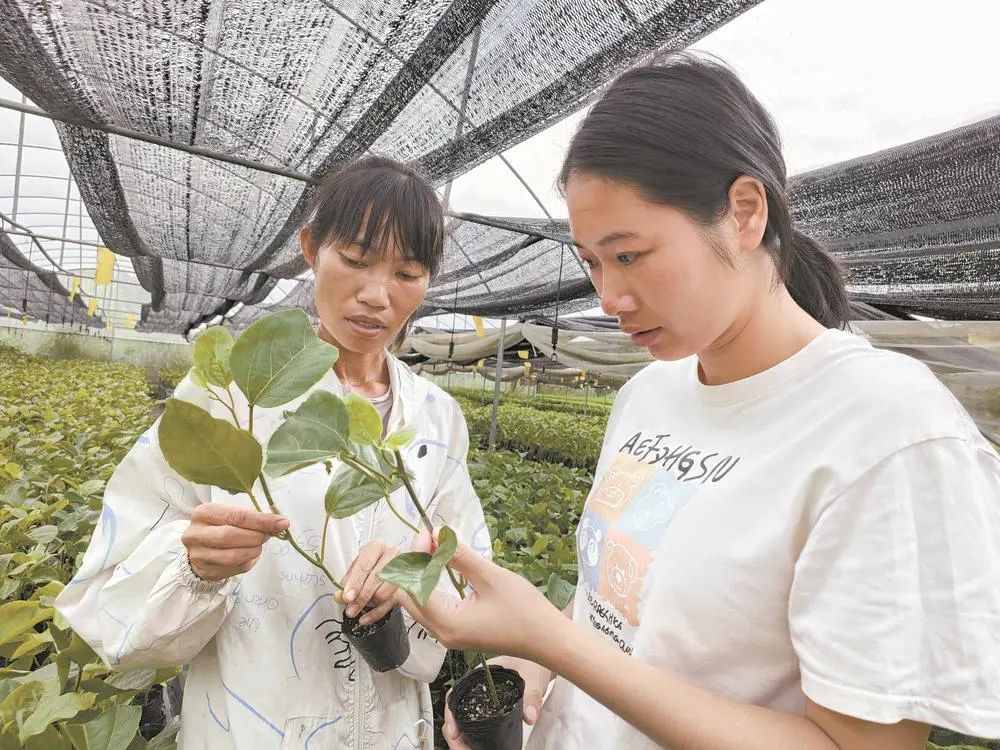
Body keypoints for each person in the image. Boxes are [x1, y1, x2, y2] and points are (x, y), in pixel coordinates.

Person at [395, 54, 1000, 749]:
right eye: (592, 261)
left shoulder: (887, 432)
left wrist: (555, 646)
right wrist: (533, 655)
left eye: (629, 255)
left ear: (744, 211)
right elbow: (620, 604)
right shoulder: (652, 392)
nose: (609, 298)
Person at [56, 156, 489, 750]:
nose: (375, 296)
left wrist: (415, 580)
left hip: (393, 728)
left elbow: (470, 572)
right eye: (356, 261)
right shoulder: (228, 396)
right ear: (312, 249)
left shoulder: (436, 418)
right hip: (253, 725)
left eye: (407, 273)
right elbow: (108, 580)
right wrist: (194, 567)